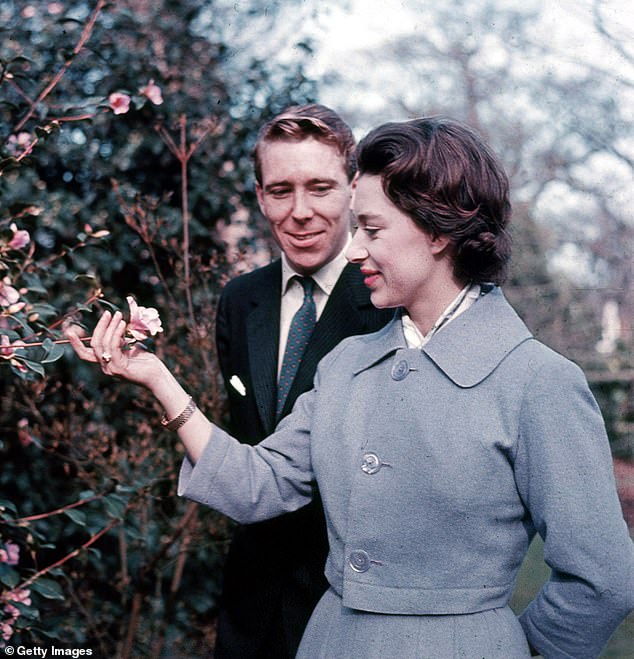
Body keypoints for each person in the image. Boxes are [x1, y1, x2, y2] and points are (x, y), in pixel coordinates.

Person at [69, 116, 634, 659]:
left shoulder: (540, 383)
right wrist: (156, 376)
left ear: (438, 230)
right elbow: (256, 484)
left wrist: (508, 646)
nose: (356, 249)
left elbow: (601, 579)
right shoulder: (346, 364)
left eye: (372, 228)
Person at [212, 104, 392, 658]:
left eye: (320, 188)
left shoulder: (390, 300)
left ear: (354, 189)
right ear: (260, 196)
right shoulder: (240, 301)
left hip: (350, 607)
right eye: (280, 190)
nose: (300, 212)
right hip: (249, 612)